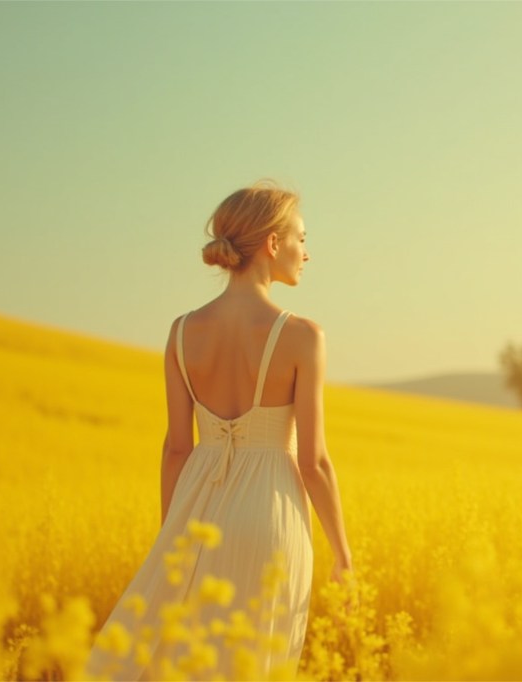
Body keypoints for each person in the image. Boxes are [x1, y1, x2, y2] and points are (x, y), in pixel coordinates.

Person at [83, 179, 353, 680]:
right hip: (271, 512)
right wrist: (344, 556)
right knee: (255, 662)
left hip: (196, 513)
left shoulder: (182, 331)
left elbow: (176, 449)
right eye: (301, 238)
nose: (306, 253)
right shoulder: (302, 336)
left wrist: (173, 538)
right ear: (273, 244)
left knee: (180, 660)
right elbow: (313, 462)